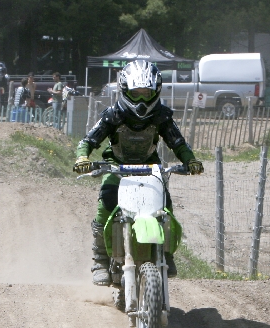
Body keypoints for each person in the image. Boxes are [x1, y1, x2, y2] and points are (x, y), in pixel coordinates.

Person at [73, 59, 203, 285]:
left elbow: (178, 142)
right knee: (105, 206)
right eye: (136, 93)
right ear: (125, 90)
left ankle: (166, 253)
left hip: (150, 168)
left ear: (156, 91)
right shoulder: (113, 114)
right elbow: (89, 140)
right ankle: (100, 260)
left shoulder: (161, 115)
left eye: (146, 93)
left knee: (165, 207)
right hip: (116, 166)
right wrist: (82, 157)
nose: (142, 100)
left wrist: (190, 160)